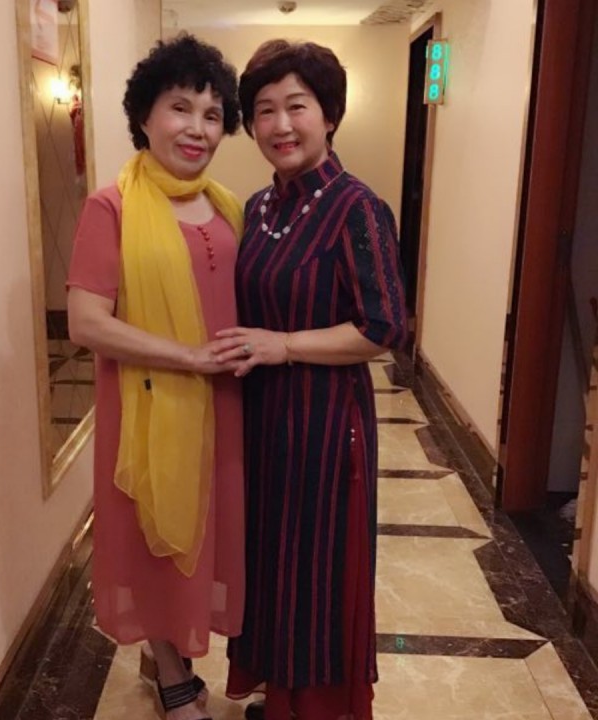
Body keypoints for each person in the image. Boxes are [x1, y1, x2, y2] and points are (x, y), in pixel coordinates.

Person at [212, 40, 408, 720]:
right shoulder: (260, 208)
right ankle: (281, 695)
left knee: (318, 567)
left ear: (329, 115)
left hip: (326, 425)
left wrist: (284, 345)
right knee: (271, 562)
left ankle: (319, 707)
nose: (280, 125)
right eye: (264, 110)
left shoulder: (357, 208)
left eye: (296, 106)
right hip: (264, 420)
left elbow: (383, 326)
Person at [66, 34, 245, 720]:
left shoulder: (227, 206)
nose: (197, 128)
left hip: (224, 405)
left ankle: (169, 650)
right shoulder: (110, 207)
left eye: (212, 114)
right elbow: (86, 323)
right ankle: (171, 671)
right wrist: (189, 358)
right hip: (149, 406)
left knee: (206, 533)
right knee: (154, 536)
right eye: (180, 108)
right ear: (144, 115)